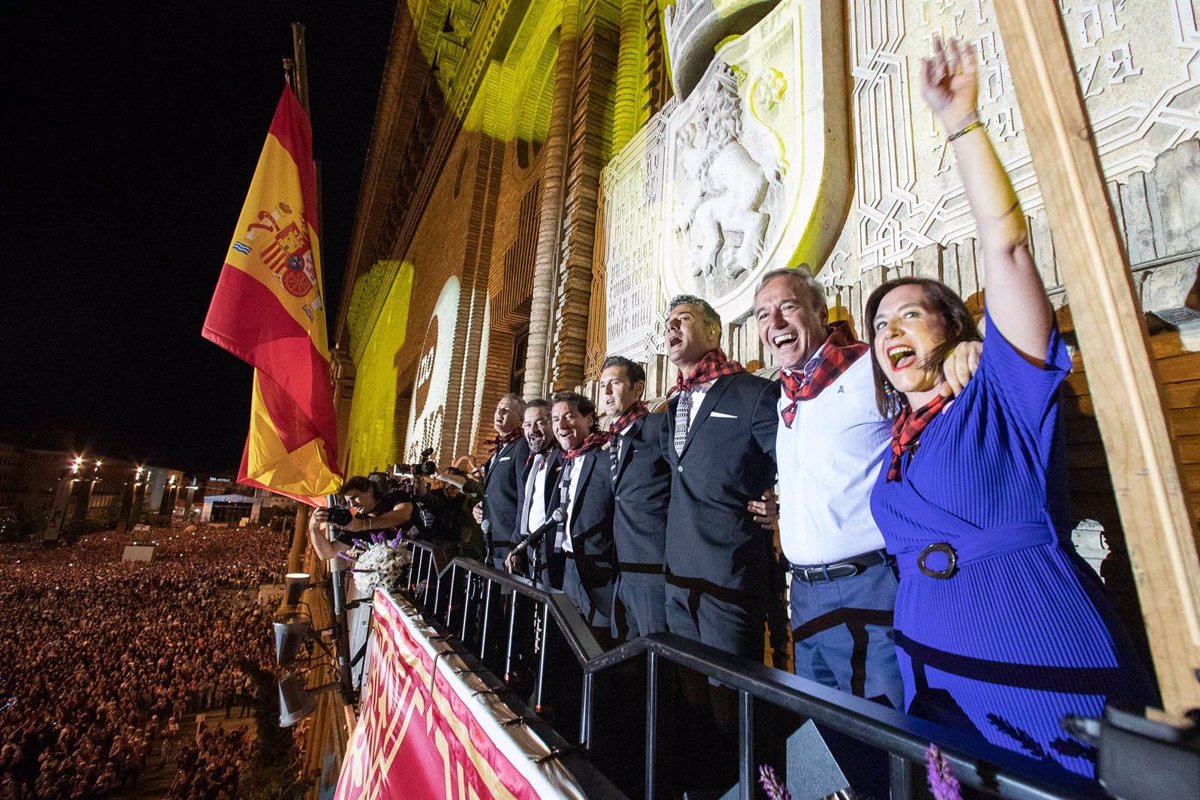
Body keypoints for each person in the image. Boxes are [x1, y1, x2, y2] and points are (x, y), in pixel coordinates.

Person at [866, 37, 1157, 778]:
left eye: (909, 316)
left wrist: (960, 122)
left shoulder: (1002, 391)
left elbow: (1008, 250)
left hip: (1037, 647)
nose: (889, 332)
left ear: (955, 328)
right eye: (878, 326)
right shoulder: (898, 440)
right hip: (934, 674)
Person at [754, 267, 982, 707]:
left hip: (868, 584)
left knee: (889, 730)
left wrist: (967, 351)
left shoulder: (871, 367)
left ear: (820, 311)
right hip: (801, 593)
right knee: (829, 737)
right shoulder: (785, 394)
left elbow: (932, 385)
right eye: (763, 314)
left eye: (788, 307)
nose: (775, 323)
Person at [660, 295, 778, 661]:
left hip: (730, 579)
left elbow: (792, 459)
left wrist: (781, 503)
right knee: (692, 699)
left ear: (713, 332)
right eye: (668, 322)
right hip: (678, 580)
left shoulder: (752, 392)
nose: (671, 327)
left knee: (735, 700)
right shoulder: (674, 404)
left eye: (683, 318)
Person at [598, 355, 671, 639]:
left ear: (637, 388)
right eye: (602, 385)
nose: (605, 392)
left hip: (651, 567)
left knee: (659, 657)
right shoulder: (607, 440)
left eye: (614, 383)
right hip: (615, 568)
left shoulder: (657, 427)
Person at [550, 391, 617, 642]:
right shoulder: (562, 461)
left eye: (569, 416)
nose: (561, 425)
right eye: (556, 419)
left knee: (599, 646)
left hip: (600, 575)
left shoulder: (606, 455)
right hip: (567, 569)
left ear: (589, 420)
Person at [506, 399, 565, 587]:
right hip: (530, 549)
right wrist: (516, 545)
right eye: (528, 424)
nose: (533, 430)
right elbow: (524, 507)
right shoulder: (532, 461)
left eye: (540, 422)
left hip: (553, 551)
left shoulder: (563, 457)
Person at [473, 394, 530, 569]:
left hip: (509, 543)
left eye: (506, 410)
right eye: (498, 409)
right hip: (492, 540)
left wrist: (516, 543)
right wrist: (482, 506)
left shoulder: (522, 446)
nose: (499, 413)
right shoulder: (498, 449)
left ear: (521, 419)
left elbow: (524, 495)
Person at [308, 475, 413, 561]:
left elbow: (403, 515)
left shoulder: (394, 497)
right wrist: (313, 528)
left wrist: (364, 525)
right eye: (349, 502)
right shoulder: (355, 523)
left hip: (426, 542)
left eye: (354, 497)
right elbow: (327, 553)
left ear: (370, 490)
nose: (353, 504)